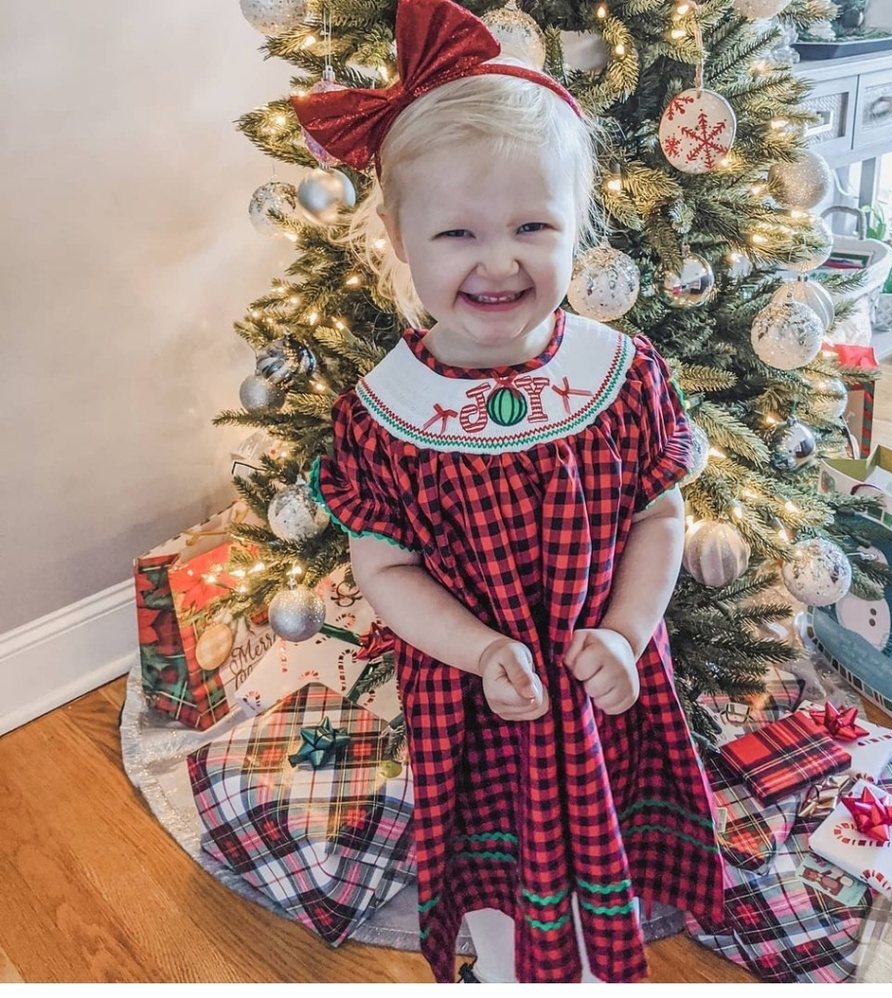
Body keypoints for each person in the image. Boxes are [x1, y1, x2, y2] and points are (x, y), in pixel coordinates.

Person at [292, 0, 724, 983]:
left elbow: (660, 516)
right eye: (457, 232)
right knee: (501, 876)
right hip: (480, 704)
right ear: (398, 237)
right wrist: (481, 649)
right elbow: (385, 571)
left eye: (534, 225)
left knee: (604, 842)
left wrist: (626, 632)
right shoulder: (384, 415)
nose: (499, 261)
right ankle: (510, 968)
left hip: (604, 682)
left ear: (579, 225)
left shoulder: (623, 374)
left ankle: (597, 955)